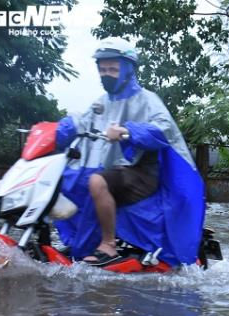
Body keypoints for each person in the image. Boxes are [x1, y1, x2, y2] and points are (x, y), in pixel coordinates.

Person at [53, 37, 205, 267]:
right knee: (68, 180)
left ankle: (108, 245)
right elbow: (81, 121)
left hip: (142, 172)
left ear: (128, 70)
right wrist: (60, 128)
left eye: (113, 69)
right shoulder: (101, 103)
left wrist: (128, 131)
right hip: (114, 171)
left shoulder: (148, 100)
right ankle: (80, 244)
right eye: (102, 69)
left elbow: (164, 129)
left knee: (96, 181)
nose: (107, 74)